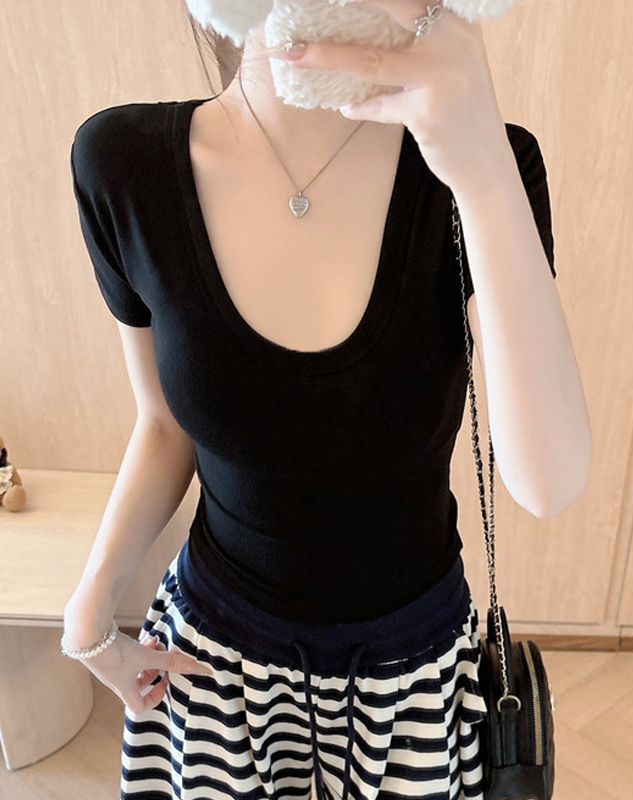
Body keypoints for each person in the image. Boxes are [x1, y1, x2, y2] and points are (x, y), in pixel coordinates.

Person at [62, 1, 591, 798]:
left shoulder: (486, 167)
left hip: (413, 669)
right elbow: (165, 423)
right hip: (215, 660)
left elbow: (549, 483)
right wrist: (93, 603)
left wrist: (482, 167)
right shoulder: (124, 167)